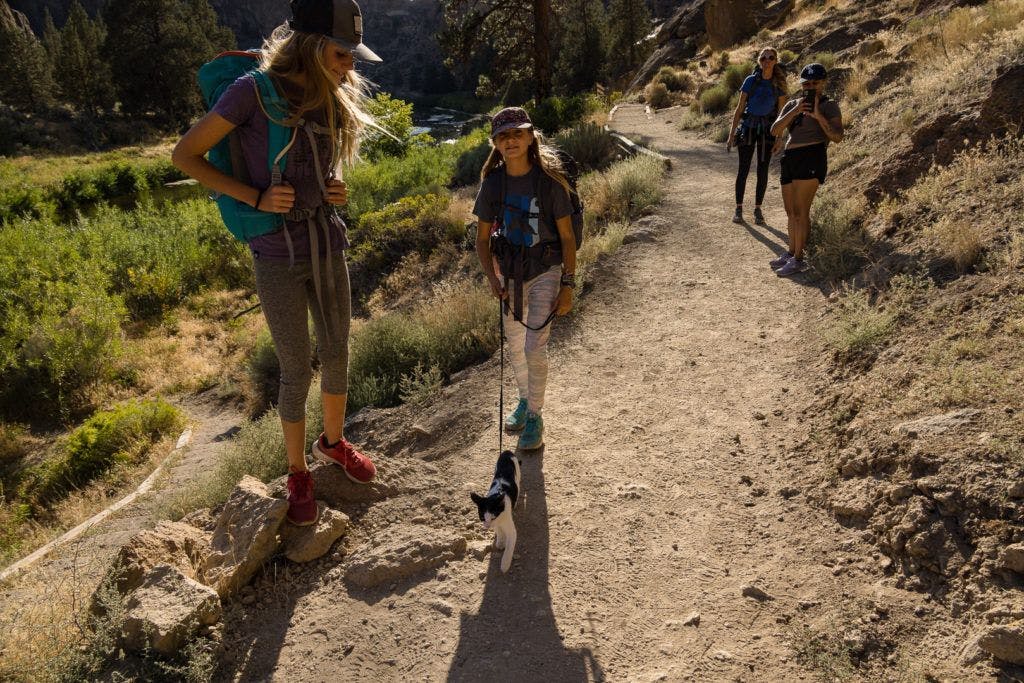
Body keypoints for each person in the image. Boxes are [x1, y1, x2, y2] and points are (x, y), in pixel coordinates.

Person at [172, 0, 381, 526]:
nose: (349, 67)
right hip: (275, 252)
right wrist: (254, 198)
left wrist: (334, 188)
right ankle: (297, 472)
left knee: (336, 352)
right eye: (341, 54)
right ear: (311, 47)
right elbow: (185, 156)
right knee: (294, 369)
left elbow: (319, 165)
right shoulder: (251, 93)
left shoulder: (328, 96)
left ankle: (333, 443)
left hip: (326, 241)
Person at [473, 107, 577, 451]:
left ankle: (535, 415)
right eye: (503, 136)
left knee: (534, 346)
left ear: (531, 136)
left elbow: (566, 239)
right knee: (516, 344)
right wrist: (492, 279)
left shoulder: (549, 181)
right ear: (495, 144)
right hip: (511, 276)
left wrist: (568, 286)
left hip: (546, 270)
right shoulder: (493, 183)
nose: (511, 140)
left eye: (517, 133)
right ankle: (523, 399)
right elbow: (482, 240)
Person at [769, 62, 844, 276]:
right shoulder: (793, 104)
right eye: (806, 83)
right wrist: (795, 110)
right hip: (790, 158)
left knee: (802, 212)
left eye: (816, 83)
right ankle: (791, 252)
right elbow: (775, 129)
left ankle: (799, 259)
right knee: (790, 211)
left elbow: (838, 136)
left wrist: (818, 115)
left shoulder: (829, 106)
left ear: (823, 83)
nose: (811, 87)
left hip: (812, 156)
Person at [727, 47, 788, 225]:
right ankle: (738, 208)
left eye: (770, 58)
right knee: (743, 169)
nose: (766, 61)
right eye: (763, 58)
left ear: (775, 61)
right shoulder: (750, 81)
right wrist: (731, 134)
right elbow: (739, 109)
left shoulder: (779, 85)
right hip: (748, 128)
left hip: (768, 131)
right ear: (759, 61)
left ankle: (758, 209)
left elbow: (781, 114)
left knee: (762, 170)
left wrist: (779, 138)